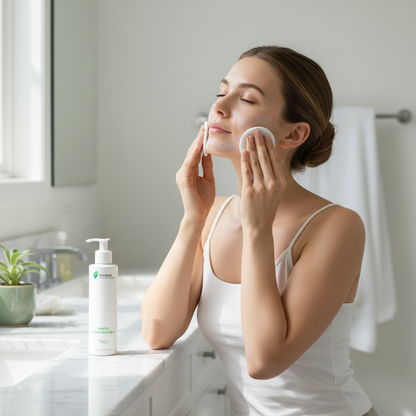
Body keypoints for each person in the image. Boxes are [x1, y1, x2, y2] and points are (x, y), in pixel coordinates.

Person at [141, 46, 378, 416]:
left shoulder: (337, 227)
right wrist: (192, 218)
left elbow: (265, 362)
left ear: (293, 134)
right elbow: (157, 332)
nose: (220, 107)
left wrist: (257, 230)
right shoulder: (213, 213)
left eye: (247, 98)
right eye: (222, 93)